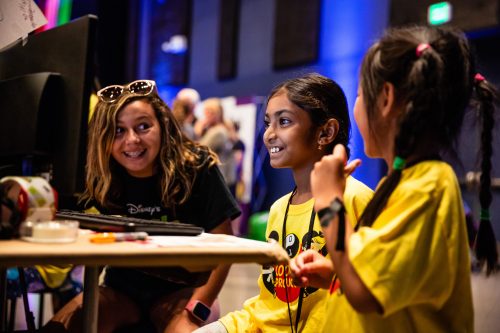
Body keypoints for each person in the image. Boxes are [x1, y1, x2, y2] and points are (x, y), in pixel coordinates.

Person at [290, 25, 499, 332]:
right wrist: (336, 273)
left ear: (385, 98)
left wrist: (329, 201)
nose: (357, 105)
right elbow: (385, 273)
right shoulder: (405, 182)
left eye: (360, 94)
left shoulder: (427, 187)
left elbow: (364, 290)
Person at [42, 79, 241, 333]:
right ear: (104, 137)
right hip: (121, 291)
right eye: (118, 131)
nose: (132, 140)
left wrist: (200, 305)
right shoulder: (102, 175)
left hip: (185, 290)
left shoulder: (196, 167)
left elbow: (224, 246)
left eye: (143, 126)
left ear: (163, 124)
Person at [196, 73, 373, 333]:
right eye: (268, 122)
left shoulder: (356, 199)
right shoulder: (279, 208)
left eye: (284, 121)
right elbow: (270, 303)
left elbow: (358, 294)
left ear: (326, 132)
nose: (269, 134)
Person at [195, 98, 237, 193]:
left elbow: (199, 151)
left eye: (209, 112)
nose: (206, 116)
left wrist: (197, 132)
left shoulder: (218, 132)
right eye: (205, 112)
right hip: (223, 177)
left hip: (221, 178)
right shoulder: (221, 128)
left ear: (216, 114)